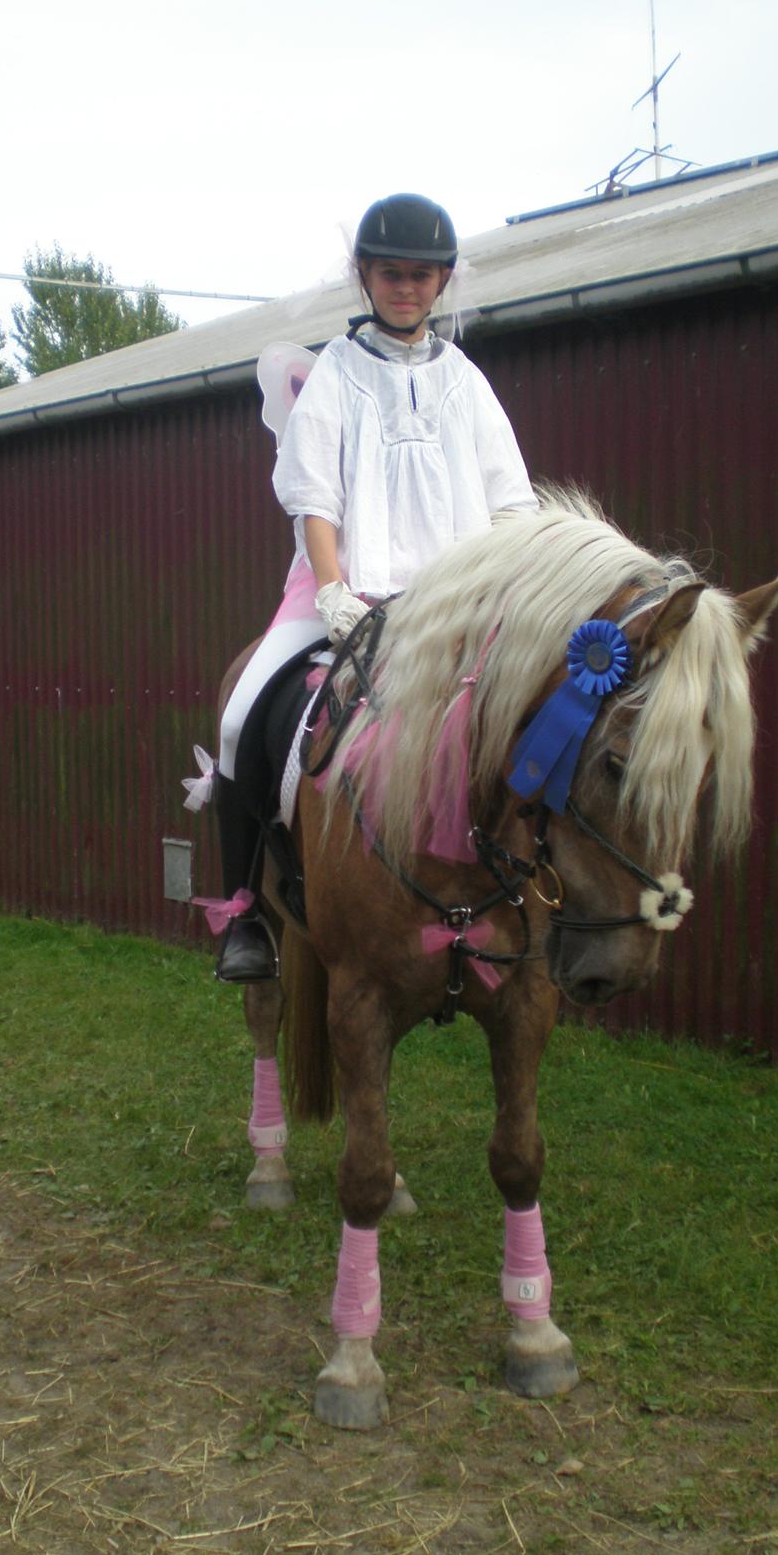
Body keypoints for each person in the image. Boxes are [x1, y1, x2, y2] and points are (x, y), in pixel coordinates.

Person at [209, 193, 537, 981]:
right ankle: (244, 914)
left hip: (458, 609)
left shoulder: (466, 382)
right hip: (343, 596)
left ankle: (537, 901)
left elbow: (513, 503)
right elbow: (314, 497)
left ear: (442, 281)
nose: (408, 288)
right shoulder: (336, 376)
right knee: (240, 715)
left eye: (423, 276)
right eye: (392, 274)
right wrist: (333, 591)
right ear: (365, 276)